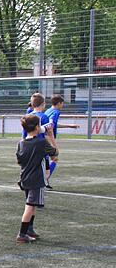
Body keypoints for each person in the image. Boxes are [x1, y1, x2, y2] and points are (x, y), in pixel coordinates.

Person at [15, 114, 59, 244]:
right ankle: (22, 234)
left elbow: (19, 161)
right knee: (29, 206)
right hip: (36, 179)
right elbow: (55, 153)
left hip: (25, 178)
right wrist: (51, 136)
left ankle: (29, 230)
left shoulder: (21, 143)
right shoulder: (40, 142)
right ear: (37, 127)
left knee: (32, 205)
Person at [23, 93, 58, 188]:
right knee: (50, 163)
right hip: (41, 147)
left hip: (28, 146)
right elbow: (48, 133)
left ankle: (25, 180)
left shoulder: (27, 116)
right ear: (43, 104)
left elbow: (24, 135)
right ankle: (43, 181)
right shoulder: (44, 117)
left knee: (30, 165)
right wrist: (53, 145)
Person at [44, 94, 79, 178]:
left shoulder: (48, 110)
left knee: (45, 160)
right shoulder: (56, 112)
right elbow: (51, 123)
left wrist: (69, 126)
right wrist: (53, 142)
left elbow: (53, 124)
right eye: (62, 103)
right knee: (54, 158)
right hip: (48, 138)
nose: (62, 105)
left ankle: (43, 179)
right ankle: (45, 179)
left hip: (43, 137)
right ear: (59, 103)